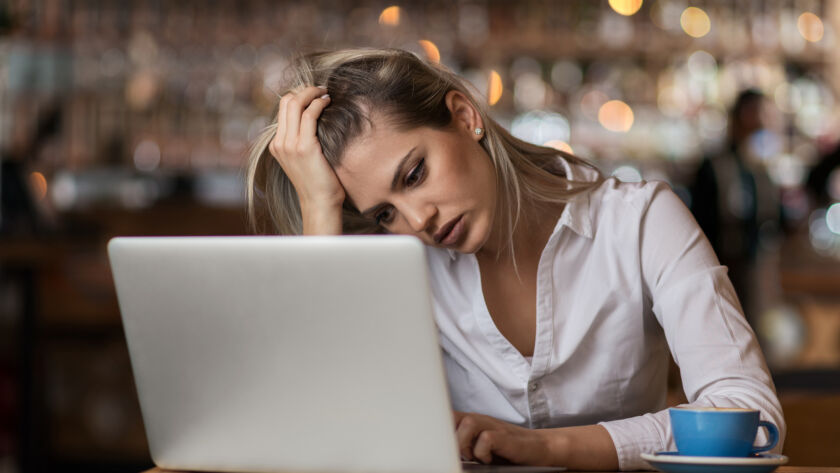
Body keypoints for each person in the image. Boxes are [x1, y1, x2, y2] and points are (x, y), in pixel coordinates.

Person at [245, 48, 785, 471]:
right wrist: (319, 211)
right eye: (384, 213)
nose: (418, 221)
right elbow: (315, 431)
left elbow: (750, 416)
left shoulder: (640, 222)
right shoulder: (395, 269)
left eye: (414, 175)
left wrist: (546, 449)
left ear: (464, 115)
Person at [689, 89, 781, 324]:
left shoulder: (758, 167)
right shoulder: (714, 166)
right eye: (754, 113)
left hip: (755, 264)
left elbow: (771, 213)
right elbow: (701, 218)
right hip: (720, 263)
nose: (760, 121)